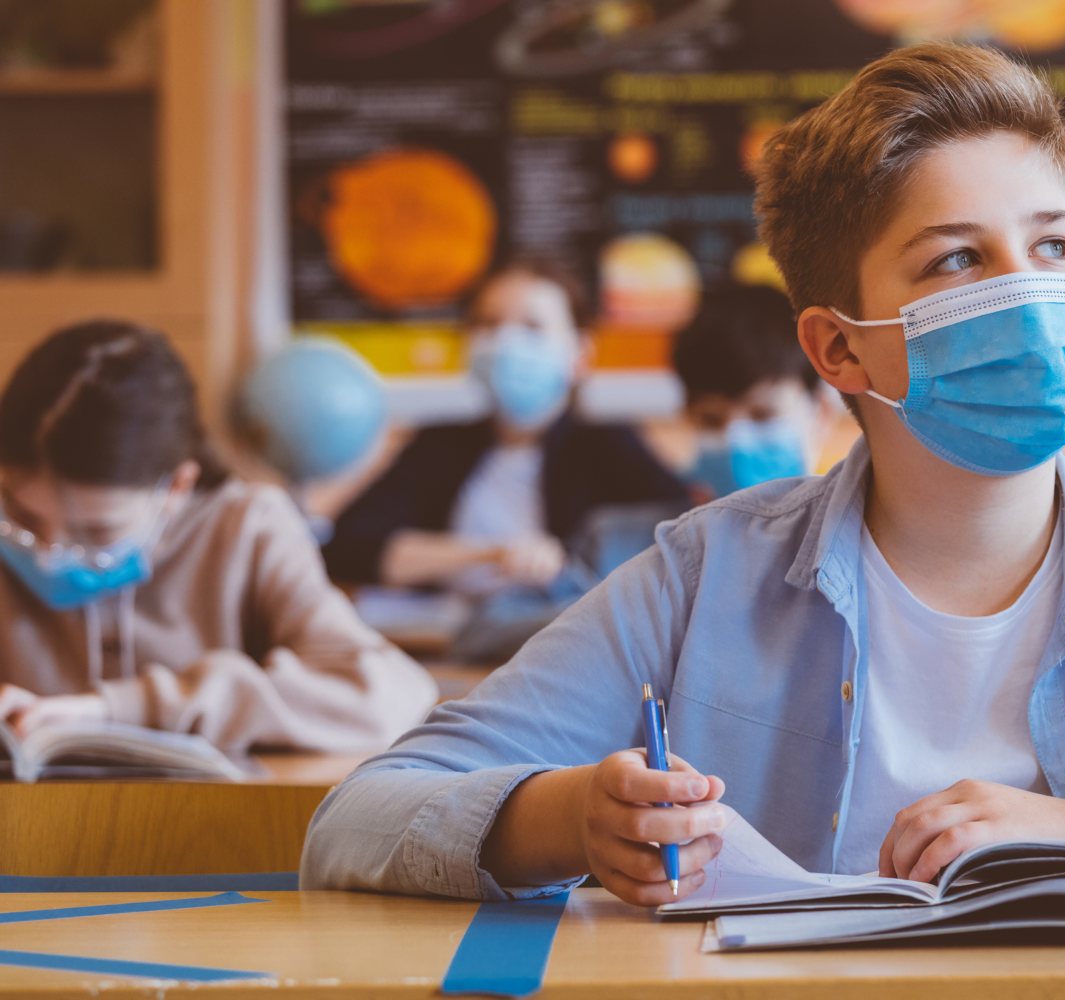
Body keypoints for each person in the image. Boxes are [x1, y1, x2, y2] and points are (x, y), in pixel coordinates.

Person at [302, 41, 1065, 905]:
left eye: (1053, 245)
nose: (1028, 292)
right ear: (836, 349)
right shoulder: (705, 579)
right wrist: (570, 816)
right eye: (958, 259)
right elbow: (358, 817)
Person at [0, 320, 437, 753]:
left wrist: (122, 709)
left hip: (211, 822)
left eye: (97, 530)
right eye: (23, 515)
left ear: (175, 487)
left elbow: (385, 696)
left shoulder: (246, 527)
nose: (48, 553)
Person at [320, 260, 689, 597]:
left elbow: (678, 538)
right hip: (446, 646)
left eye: (532, 326)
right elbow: (348, 547)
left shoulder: (607, 445)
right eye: (488, 323)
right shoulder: (438, 445)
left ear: (580, 351)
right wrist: (491, 553)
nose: (505, 343)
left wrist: (560, 559)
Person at [672, 284, 838, 501]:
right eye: (711, 420)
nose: (734, 440)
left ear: (821, 413)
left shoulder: (867, 529)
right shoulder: (661, 532)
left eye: (763, 415)